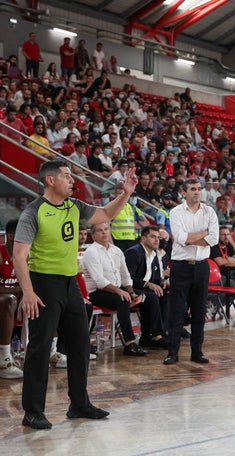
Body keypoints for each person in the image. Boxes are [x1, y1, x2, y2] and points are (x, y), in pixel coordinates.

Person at [13, 160, 138, 429]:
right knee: (39, 347)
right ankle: (32, 411)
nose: (73, 181)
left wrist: (125, 193)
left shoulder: (75, 207)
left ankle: (79, 404)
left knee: (81, 345)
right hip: (43, 283)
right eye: (67, 176)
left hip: (70, 283)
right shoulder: (33, 212)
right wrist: (28, 292)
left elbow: (105, 214)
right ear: (50, 181)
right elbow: (19, 255)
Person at [163, 178, 218, 366]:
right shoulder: (176, 212)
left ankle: (197, 352)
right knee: (177, 312)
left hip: (202, 266)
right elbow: (180, 239)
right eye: (193, 189)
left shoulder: (210, 211)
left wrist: (192, 238)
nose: (197, 192)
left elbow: (214, 239)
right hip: (181, 267)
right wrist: (203, 233)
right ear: (184, 192)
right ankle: (172, 353)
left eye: (199, 189)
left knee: (199, 311)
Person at [81, 222, 149, 357]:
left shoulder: (116, 251)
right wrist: (120, 292)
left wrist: (131, 291)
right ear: (93, 236)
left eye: (106, 229)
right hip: (97, 293)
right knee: (122, 300)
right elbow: (99, 281)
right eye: (100, 231)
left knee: (150, 298)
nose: (104, 232)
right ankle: (129, 343)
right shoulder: (91, 252)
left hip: (117, 290)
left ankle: (152, 336)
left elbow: (125, 275)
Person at [124, 225, 169, 349]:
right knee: (151, 297)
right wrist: (148, 284)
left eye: (158, 237)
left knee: (166, 294)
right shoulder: (134, 252)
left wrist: (162, 283)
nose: (157, 240)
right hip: (130, 290)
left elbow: (154, 278)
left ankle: (157, 333)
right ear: (143, 239)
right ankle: (156, 336)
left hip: (144, 289)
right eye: (153, 237)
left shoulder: (154, 254)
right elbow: (127, 279)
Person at [0, 219, 23, 380]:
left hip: (14, 299)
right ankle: (4, 359)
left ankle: (50, 351)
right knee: (10, 299)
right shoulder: (1, 254)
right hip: (5, 300)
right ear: (10, 236)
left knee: (46, 299)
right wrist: (16, 290)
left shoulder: (23, 255)